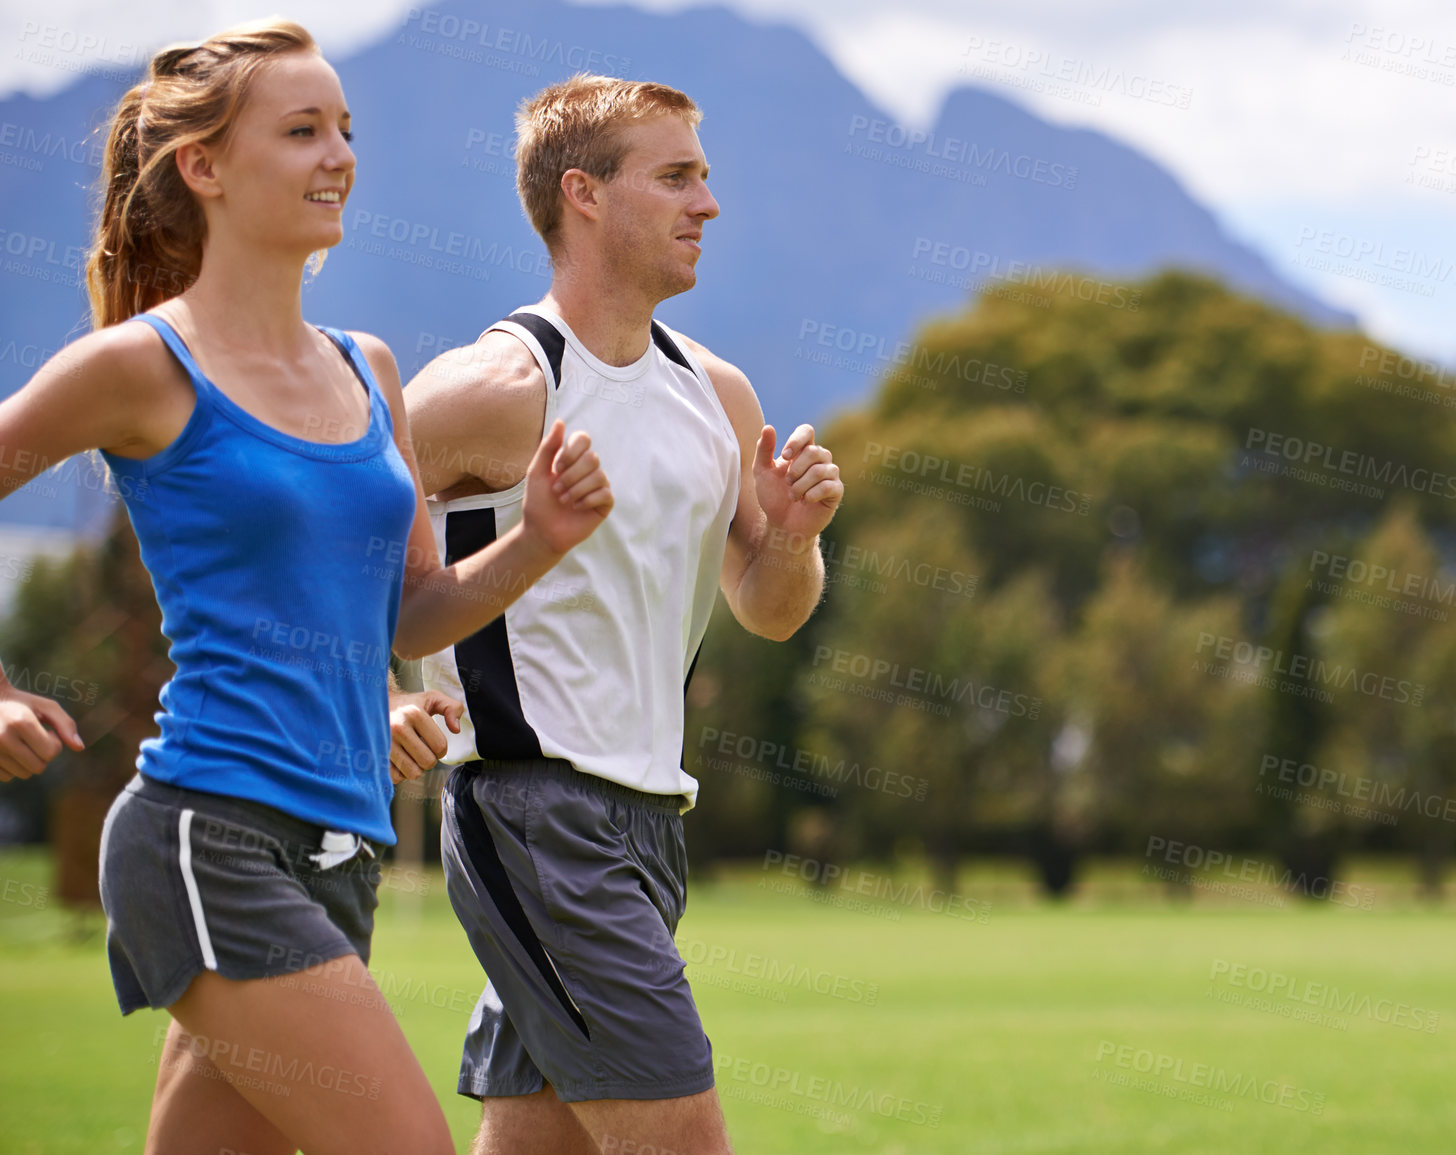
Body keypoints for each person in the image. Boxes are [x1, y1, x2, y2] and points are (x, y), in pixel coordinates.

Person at [0, 21, 615, 1155]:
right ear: (206, 167)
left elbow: (406, 616)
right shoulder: (141, 364)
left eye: (344, 128)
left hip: (339, 845)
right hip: (208, 836)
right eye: (300, 131)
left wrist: (537, 540)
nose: (338, 154)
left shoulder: (367, 367)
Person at [389, 74, 843, 1154]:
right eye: (677, 176)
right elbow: (320, 523)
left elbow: (770, 612)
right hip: (532, 817)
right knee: (683, 1138)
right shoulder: (500, 385)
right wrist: (378, 696)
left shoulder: (717, 394)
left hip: (646, 824)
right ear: (583, 195)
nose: (709, 205)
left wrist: (790, 537)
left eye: (706, 176)